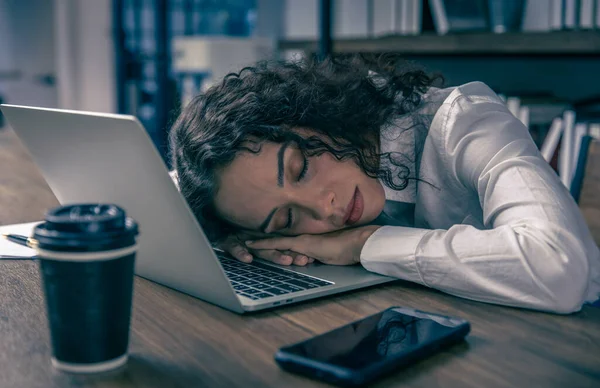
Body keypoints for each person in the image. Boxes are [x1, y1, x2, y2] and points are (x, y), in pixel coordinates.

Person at [169, 54, 600, 314]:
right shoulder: (294, 210)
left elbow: (558, 268)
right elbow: (166, 185)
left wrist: (364, 244)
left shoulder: (463, 121)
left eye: (301, 168)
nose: (326, 209)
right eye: (286, 218)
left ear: (311, 114)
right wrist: (220, 233)